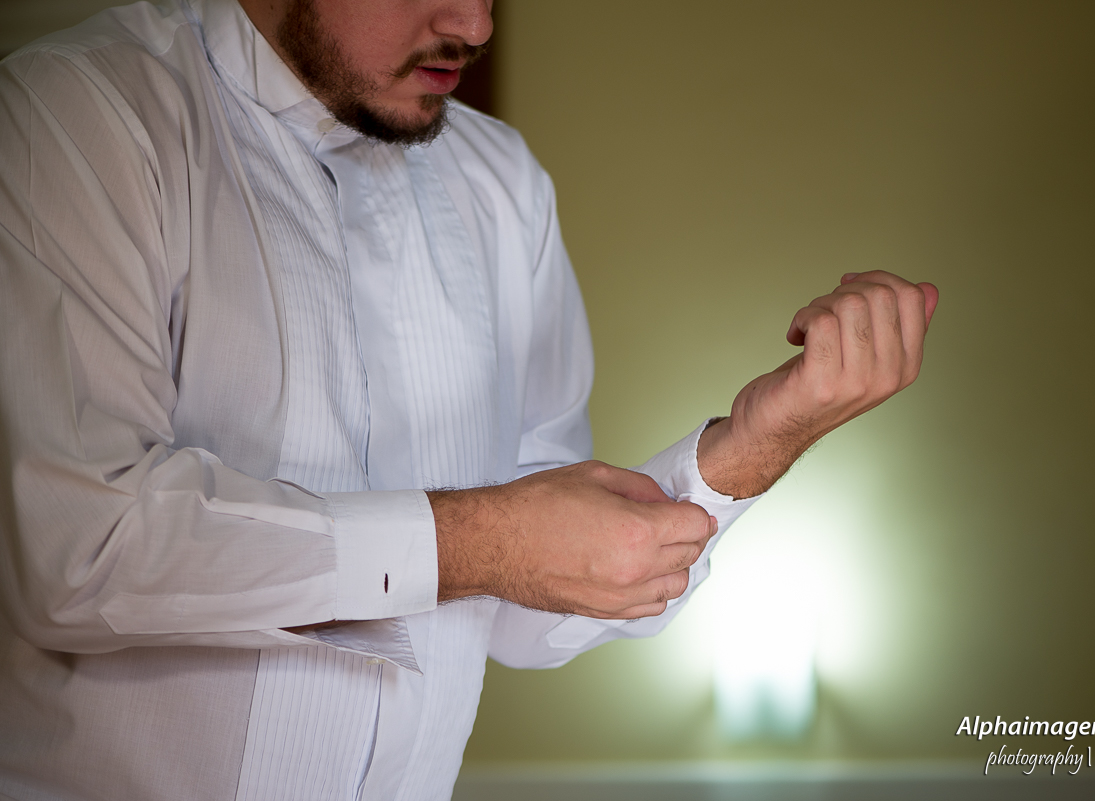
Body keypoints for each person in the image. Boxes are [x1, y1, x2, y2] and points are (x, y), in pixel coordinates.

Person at [0, 0, 938, 799]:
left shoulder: (503, 186)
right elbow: (82, 547)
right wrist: (478, 538)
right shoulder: (78, 116)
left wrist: (756, 443)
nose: (475, 23)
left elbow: (530, 600)